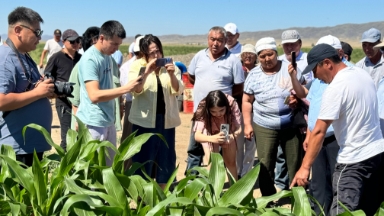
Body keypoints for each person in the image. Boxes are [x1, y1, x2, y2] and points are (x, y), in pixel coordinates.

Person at [291, 43, 384, 216]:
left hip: (353, 160)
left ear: (327, 63)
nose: (316, 78)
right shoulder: (361, 73)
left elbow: (319, 131)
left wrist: (305, 167)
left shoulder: (336, 87)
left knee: (342, 211)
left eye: (314, 71)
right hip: (377, 154)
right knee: (367, 210)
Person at [288, 35, 353, 215]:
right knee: (318, 184)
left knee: (336, 182)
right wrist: (309, 135)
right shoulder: (320, 78)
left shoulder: (344, 78)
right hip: (317, 138)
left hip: (335, 139)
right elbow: (306, 96)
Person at [242, 37, 304, 196]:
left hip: (290, 124)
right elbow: (247, 101)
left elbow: (303, 92)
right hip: (264, 125)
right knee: (265, 163)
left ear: (276, 53)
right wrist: (248, 125)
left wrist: (297, 98)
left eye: (270, 54)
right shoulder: (254, 74)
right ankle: (268, 199)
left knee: (295, 162)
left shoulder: (290, 68)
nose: (266, 59)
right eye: (262, 56)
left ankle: (297, 198)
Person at [76, 20, 142, 166]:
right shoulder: (90, 59)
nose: (116, 48)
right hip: (93, 122)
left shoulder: (107, 57)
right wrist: (126, 88)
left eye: (119, 44)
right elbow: (94, 95)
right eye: (114, 44)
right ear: (101, 38)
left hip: (107, 120)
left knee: (108, 168)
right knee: (92, 170)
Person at [185, 26, 244, 174]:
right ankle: (191, 181)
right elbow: (191, 76)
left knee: (224, 146)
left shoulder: (233, 60)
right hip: (201, 113)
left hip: (222, 115)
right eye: (212, 39)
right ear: (208, 39)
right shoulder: (199, 56)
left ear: (225, 41)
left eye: (219, 40)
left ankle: (222, 183)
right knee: (195, 148)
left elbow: (238, 87)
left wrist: (222, 100)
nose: (215, 43)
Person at [0, 7, 55, 166]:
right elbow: (1, 101)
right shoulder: (5, 59)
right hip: (17, 149)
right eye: (36, 32)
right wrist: (38, 93)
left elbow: (32, 90)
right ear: (18, 30)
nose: (39, 37)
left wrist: (46, 91)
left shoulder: (24, 55)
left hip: (31, 145)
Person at [128, 34, 184, 188]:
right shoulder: (136, 66)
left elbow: (178, 90)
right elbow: (135, 89)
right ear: (144, 54)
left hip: (166, 120)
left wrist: (172, 74)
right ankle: (141, 197)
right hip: (144, 121)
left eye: (158, 51)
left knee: (165, 158)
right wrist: (146, 72)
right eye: (151, 53)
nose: (156, 55)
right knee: (143, 158)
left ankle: (162, 194)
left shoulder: (170, 66)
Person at [275, 29, 310, 191]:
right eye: (286, 45)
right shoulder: (279, 61)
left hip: (303, 114)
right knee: (281, 151)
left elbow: (312, 86)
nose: (289, 48)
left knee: (301, 150)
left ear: (300, 44)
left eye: (293, 44)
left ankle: (300, 186)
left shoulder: (308, 60)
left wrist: (299, 97)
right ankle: (282, 185)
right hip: (283, 113)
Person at [44, 29, 81, 151]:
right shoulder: (56, 57)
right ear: (64, 42)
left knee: (80, 133)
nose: (75, 43)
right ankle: (63, 165)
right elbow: (47, 77)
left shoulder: (82, 59)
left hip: (79, 102)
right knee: (67, 136)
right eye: (72, 41)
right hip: (63, 101)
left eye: (77, 41)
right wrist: (56, 91)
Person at [193, 90, 241, 181]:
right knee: (211, 163)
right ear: (208, 109)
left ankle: (234, 191)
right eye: (213, 111)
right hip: (209, 132)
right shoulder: (203, 106)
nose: (218, 114)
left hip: (227, 128)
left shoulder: (232, 103)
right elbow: (197, 136)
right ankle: (212, 192)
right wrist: (212, 139)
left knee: (230, 162)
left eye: (221, 110)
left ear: (226, 106)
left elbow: (239, 128)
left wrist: (232, 136)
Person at [68, 26, 99, 131]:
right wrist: (78, 121)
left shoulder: (109, 63)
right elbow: (75, 100)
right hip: (87, 123)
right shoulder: (80, 66)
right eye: (95, 43)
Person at [236, 44, 257, 178]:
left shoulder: (260, 71)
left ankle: (246, 174)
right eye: (245, 54)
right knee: (237, 145)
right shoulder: (237, 71)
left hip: (255, 113)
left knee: (251, 146)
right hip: (237, 113)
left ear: (256, 57)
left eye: (251, 54)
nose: (247, 56)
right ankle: (237, 173)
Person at [120, 35, 144, 143]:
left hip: (150, 106)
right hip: (132, 104)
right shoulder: (127, 66)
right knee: (129, 140)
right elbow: (126, 88)